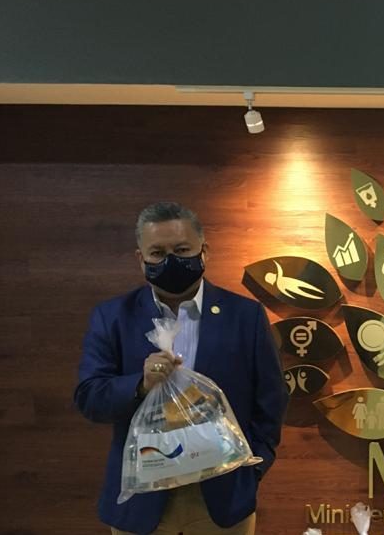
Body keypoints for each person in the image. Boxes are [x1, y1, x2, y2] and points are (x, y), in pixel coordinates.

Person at [74, 202, 288, 534]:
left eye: (182, 250)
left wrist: (252, 469)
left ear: (204, 251)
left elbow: (272, 398)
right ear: (141, 258)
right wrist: (140, 385)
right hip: (141, 501)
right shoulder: (113, 317)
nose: (170, 261)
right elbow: (90, 398)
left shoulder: (245, 316)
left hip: (222, 498)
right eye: (157, 253)